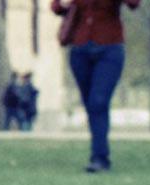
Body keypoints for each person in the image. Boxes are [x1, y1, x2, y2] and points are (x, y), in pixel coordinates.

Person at [51, 0, 141, 172]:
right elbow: (56, 8)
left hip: (110, 48)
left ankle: (100, 157)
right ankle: (98, 153)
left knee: (98, 101)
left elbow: (134, 4)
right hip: (80, 49)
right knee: (91, 105)